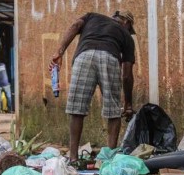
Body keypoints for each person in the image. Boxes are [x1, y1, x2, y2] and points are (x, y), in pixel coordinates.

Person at [50, 10, 136, 164]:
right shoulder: (126, 35)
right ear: (127, 23)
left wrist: (59, 51)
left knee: (77, 109)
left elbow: (75, 25)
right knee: (113, 111)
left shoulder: (92, 16)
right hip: (109, 58)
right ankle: (109, 159)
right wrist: (128, 104)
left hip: (84, 56)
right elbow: (127, 75)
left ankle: (73, 157)